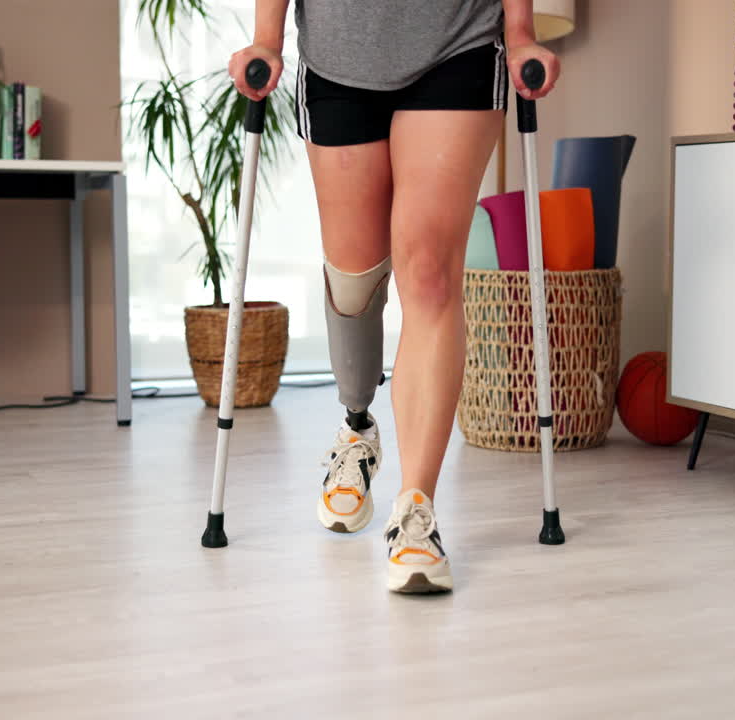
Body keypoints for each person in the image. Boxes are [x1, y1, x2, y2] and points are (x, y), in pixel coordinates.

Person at [229, 0, 559, 593]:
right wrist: (266, 37)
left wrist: (520, 31)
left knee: (430, 272)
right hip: (337, 55)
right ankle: (357, 426)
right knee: (353, 280)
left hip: (458, 40)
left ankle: (415, 513)